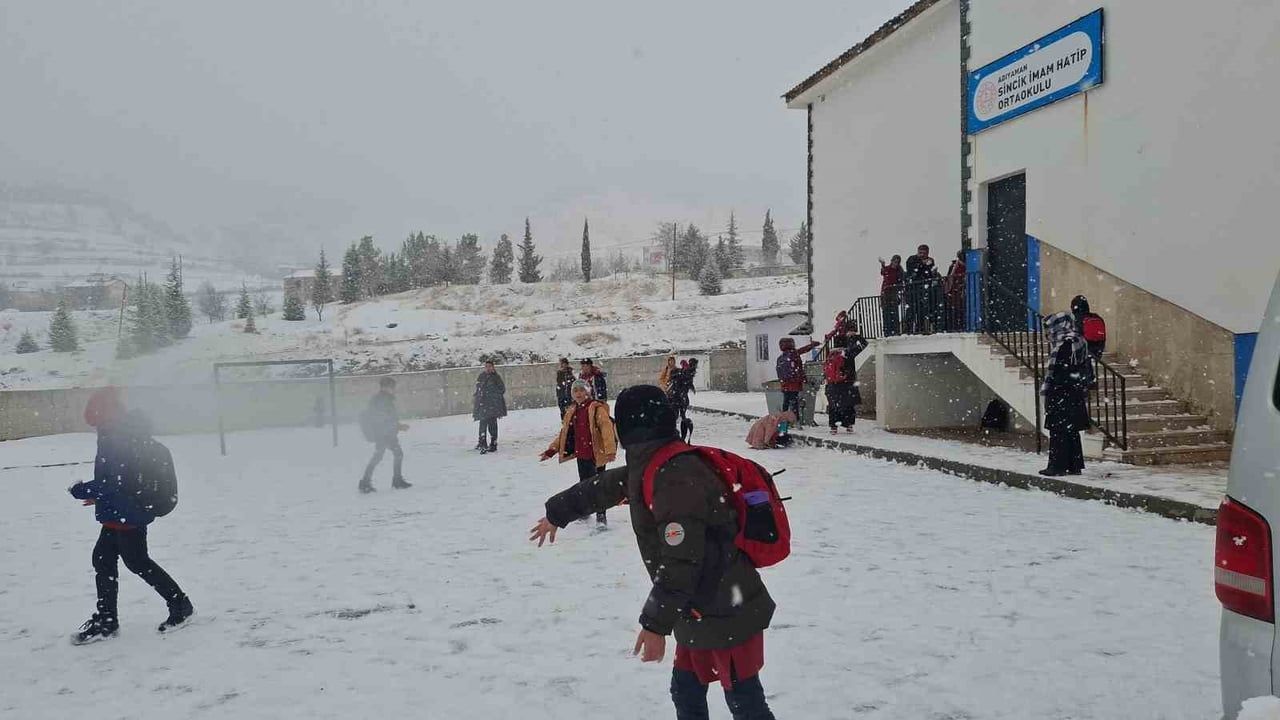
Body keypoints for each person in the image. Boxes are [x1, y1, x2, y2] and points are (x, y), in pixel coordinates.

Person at [529, 386, 778, 720]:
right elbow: (601, 488)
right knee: (686, 692)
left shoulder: (675, 476)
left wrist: (655, 625)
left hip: (725, 608)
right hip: (697, 608)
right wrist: (556, 513)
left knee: (744, 701)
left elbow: (681, 561)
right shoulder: (655, 462)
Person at [70, 392, 193, 644]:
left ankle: (180, 605)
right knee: (104, 559)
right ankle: (107, 621)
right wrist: (101, 496)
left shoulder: (117, 436)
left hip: (129, 513)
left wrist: (83, 490)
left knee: (136, 562)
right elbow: (121, 479)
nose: (95, 427)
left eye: (96, 422)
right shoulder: (117, 433)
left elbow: (113, 480)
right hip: (121, 510)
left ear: (104, 416)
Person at [539, 380, 618, 527]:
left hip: (597, 455)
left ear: (588, 392)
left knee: (598, 487)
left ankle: (601, 517)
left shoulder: (596, 408)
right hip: (582, 455)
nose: (579, 394)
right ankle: (585, 511)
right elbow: (564, 434)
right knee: (584, 486)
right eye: (576, 391)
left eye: (582, 390)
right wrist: (551, 450)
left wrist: (610, 451)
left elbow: (606, 428)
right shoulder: (572, 410)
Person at [1040, 312, 1093, 477]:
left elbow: (1060, 370)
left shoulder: (1065, 344)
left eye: (1050, 328)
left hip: (1062, 391)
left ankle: (1057, 466)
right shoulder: (1079, 340)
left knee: (1058, 431)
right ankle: (1073, 464)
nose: (1048, 332)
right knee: (1070, 431)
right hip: (1074, 391)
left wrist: (1051, 391)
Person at [360, 377, 411, 492]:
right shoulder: (380, 400)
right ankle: (365, 482)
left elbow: (389, 417)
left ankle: (396, 480)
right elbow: (382, 418)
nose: (393, 389)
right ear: (385, 387)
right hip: (383, 433)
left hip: (388, 432)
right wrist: (398, 426)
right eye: (392, 387)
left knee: (396, 454)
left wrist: (397, 426)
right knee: (379, 456)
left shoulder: (385, 399)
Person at [823, 325, 868, 434]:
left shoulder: (831, 354)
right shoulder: (847, 353)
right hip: (847, 382)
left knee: (834, 406)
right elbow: (864, 344)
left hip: (832, 384)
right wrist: (856, 336)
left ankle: (833, 427)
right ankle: (848, 425)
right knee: (848, 405)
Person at [776, 336, 819, 435]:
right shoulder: (794, 354)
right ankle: (797, 423)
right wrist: (813, 345)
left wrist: (782, 382)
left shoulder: (781, 358)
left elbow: (779, 372)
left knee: (785, 404)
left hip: (785, 384)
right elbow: (803, 351)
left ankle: (783, 424)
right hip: (794, 384)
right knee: (794, 403)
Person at [474, 359, 508, 454]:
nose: (488, 368)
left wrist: (492, 394)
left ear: (493, 367)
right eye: (486, 366)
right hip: (483, 405)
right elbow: (478, 388)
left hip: (492, 406)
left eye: (490, 366)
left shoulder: (496, 377)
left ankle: (493, 443)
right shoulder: (481, 376)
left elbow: (502, 389)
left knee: (492, 426)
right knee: (482, 424)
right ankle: (482, 443)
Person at [904, 244, 939, 334]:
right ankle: (908, 330)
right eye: (920, 252)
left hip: (924, 290)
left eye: (924, 253)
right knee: (911, 312)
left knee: (922, 312)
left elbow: (928, 273)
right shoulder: (912, 259)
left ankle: (920, 329)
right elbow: (911, 270)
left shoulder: (930, 260)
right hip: (912, 290)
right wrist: (922, 264)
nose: (922, 255)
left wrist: (932, 272)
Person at [668, 358, 699, 441]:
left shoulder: (684, 372)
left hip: (679, 397)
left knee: (680, 414)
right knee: (677, 414)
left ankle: (678, 432)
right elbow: (684, 379)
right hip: (678, 397)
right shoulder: (682, 372)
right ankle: (675, 432)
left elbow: (687, 380)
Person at [1070, 295, 1107, 360]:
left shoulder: (1077, 319)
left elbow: (1076, 336)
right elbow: (1103, 336)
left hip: (1084, 351)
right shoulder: (1097, 317)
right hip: (1097, 349)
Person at [942, 250, 967, 332]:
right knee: (955, 310)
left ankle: (960, 325)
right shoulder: (954, 266)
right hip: (955, 291)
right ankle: (955, 327)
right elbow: (950, 278)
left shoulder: (965, 266)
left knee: (961, 309)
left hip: (961, 290)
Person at [879, 255, 903, 336]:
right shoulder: (888, 268)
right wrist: (882, 265)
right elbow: (883, 272)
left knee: (894, 313)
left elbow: (901, 280)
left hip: (893, 293)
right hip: (886, 293)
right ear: (892, 261)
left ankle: (895, 331)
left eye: (897, 262)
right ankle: (887, 331)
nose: (895, 263)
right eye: (894, 261)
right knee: (886, 313)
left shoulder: (899, 270)